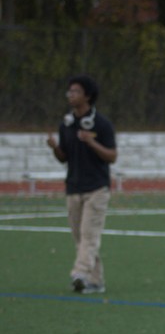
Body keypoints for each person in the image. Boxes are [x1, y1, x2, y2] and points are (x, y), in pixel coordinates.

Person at [45, 74, 117, 295]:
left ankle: (80, 273)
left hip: (97, 188)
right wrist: (55, 148)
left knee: (89, 235)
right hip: (73, 187)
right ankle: (96, 281)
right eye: (69, 91)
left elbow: (112, 156)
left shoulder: (101, 124)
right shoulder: (66, 124)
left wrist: (92, 142)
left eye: (75, 91)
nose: (70, 95)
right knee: (80, 237)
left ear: (87, 95)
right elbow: (64, 158)